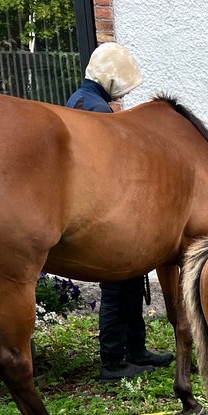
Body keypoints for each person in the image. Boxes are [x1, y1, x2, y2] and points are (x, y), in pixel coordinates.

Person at [65, 43, 175, 380]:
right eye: (122, 85)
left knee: (129, 282)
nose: (123, 94)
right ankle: (112, 362)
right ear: (110, 76)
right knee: (116, 289)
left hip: (98, 210)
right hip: (105, 215)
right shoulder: (96, 110)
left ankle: (136, 350)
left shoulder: (78, 100)